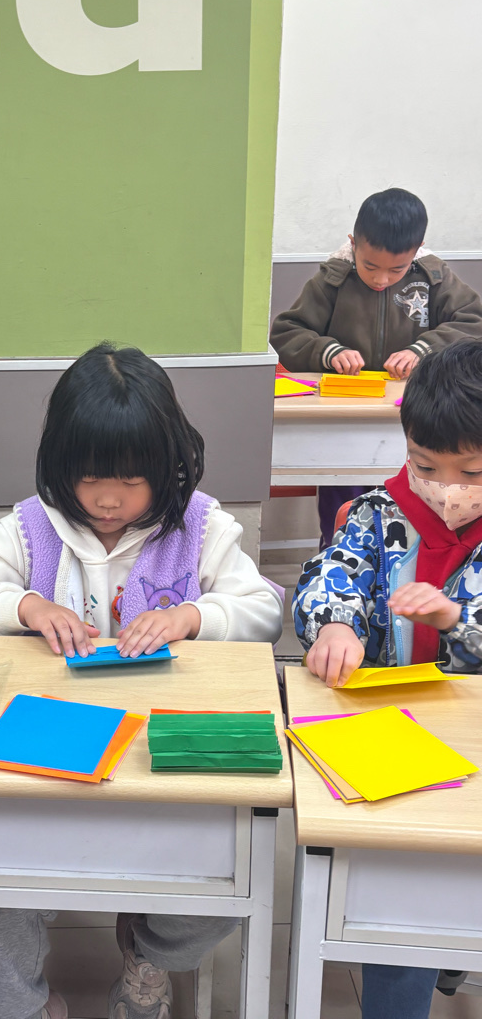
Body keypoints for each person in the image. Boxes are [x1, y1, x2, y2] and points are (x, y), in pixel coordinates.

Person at [0, 342, 283, 1019]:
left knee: (236, 869)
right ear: (60, 465)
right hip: (48, 757)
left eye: (131, 480)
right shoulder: (33, 526)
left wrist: (192, 616)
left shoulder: (200, 526)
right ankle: (21, 1006)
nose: (107, 498)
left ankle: (149, 952)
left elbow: (263, 610)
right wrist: (25, 606)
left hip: (163, 761)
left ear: (170, 465)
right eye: (90, 477)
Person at [293, 339, 482, 1017]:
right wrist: (336, 624)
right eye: (426, 465)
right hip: (393, 739)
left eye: (472, 471)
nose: (447, 486)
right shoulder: (379, 513)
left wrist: (457, 617)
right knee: (407, 908)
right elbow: (328, 574)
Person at [270, 187, 482, 548]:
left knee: (409, 498)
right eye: (370, 266)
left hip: (411, 413)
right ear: (353, 244)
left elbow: (473, 323)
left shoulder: (433, 278)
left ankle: (404, 563)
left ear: (417, 249)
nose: (381, 279)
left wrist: (422, 350)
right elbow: (286, 331)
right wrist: (328, 352)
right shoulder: (334, 279)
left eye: (396, 269)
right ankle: (338, 556)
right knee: (343, 497)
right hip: (344, 414)